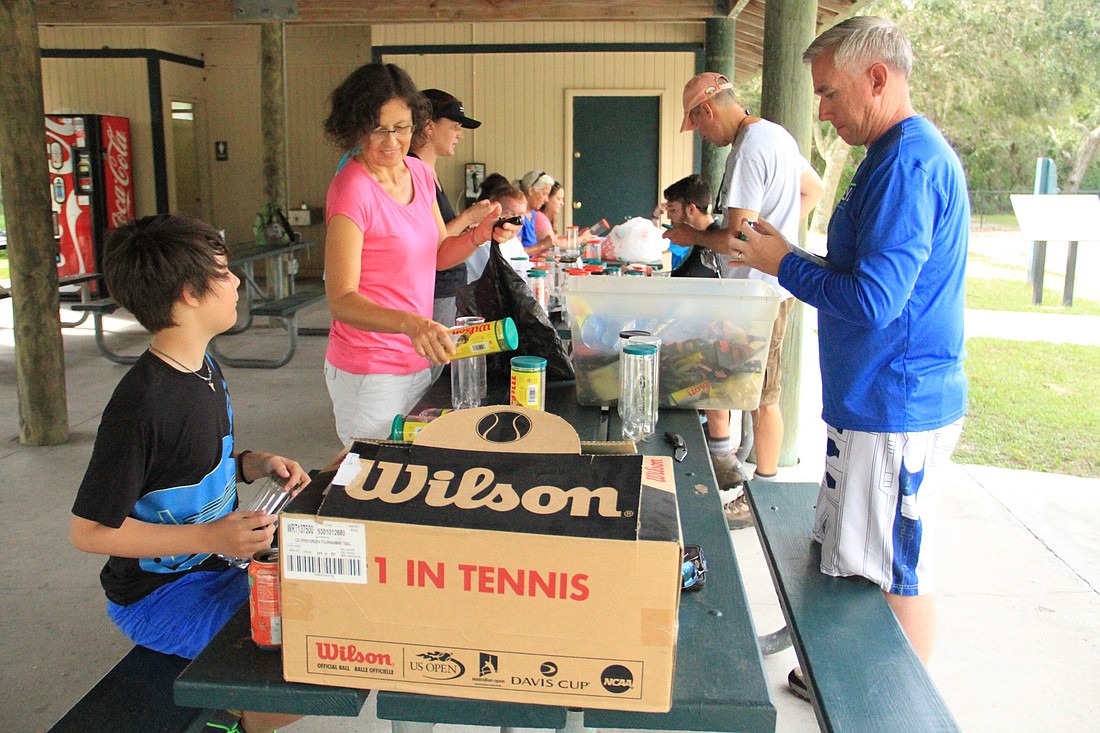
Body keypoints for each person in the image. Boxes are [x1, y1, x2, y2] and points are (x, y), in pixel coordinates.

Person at [734, 16, 969, 696]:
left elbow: (872, 300)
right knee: (853, 557)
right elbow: (855, 273)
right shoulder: (888, 156)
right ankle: (847, 677)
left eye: (830, 94)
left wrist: (784, 265)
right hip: (868, 399)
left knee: (889, 570)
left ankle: (887, 700)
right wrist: (795, 256)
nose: (824, 111)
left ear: (877, 78)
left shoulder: (908, 163)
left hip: (893, 402)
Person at [69, 214, 311, 733]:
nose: (237, 282)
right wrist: (209, 534)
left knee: (329, 631)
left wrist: (255, 463)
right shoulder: (141, 406)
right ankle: (227, 724)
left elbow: (201, 459)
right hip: (160, 595)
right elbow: (89, 531)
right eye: (224, 273)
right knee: (297, 667)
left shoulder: (203, 367)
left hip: (221, 563)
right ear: (189, 294)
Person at [668, 70, 824, 530]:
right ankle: (731, 466)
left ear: (708, 110)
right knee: (733, 383)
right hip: (766, 284)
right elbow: (811, 189)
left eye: (698, 124)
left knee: (762, 396)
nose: (701, 134)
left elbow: (737, 237)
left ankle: (763, 496)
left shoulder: (749, 147)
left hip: (759, 291)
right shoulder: (777, 135)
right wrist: (781, 233)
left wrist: (693, 235)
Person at [322, 63, 500, 444]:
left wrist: (476, 237)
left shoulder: (417, 173)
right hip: (371, 368)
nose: (391, 141)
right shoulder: (352, 190)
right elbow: (341, 299)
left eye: (401, 128)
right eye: (377, 129)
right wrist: (411, 324)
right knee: (369, 479)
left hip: (418, 356)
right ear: (354, 128)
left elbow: (436, 254)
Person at [410, 88, 484, 329]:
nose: (459, 135)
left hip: (447, 288)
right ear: (429, 127)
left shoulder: (428, 170)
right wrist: (468, 218)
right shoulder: (412, 169)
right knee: (433, 364)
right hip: (434, 290)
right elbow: (433, 244)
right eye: (455, 126)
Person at [465, 183, 529, 283]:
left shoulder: (514, 242)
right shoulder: (485, 240)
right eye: (509, 213)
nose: (517, 220)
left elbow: (527, 270)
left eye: (521, 215)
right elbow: (499, 278)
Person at [660, 174, 720, 278]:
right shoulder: (702, 240)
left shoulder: (712, 245)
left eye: (672, 210)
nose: (668, 216)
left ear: (691, 209)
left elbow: (683, 280)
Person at [516, 170, 558, 256]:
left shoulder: (532, 214)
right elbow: (516, 254)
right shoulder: (518, 215)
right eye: (544, 194)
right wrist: (542, 245)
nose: (546, 200)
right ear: (531, 191)